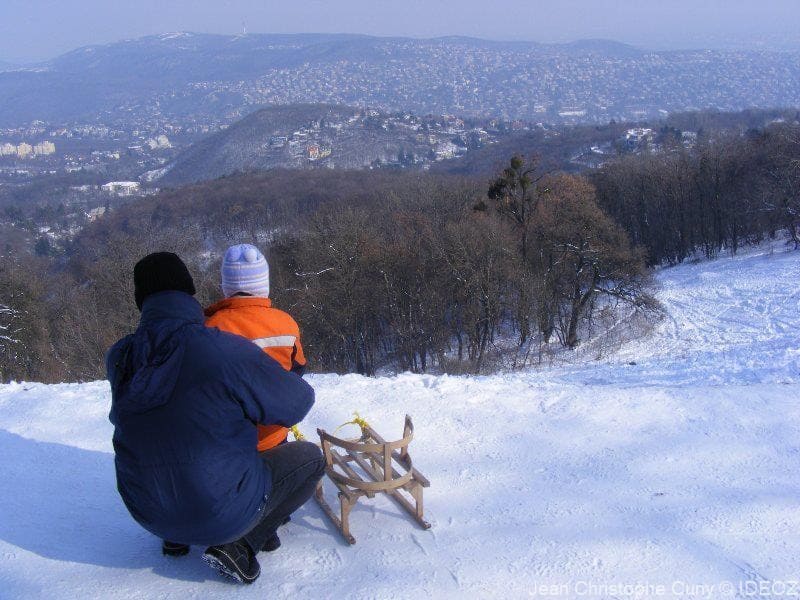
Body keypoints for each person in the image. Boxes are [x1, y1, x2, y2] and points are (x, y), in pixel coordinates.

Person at [106, 252, 325, 584]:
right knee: (310, 459)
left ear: (141, 302)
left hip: (147, 511)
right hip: (219, 514)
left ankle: (175, 537)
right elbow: (298, 403)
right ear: (190, 291)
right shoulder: (220, 349)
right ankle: (241, 544)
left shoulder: (120, 356)